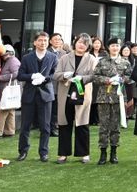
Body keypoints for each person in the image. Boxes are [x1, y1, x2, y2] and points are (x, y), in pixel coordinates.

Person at [53, 33, 97, 164]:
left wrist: (82, 78)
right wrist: (65, 75)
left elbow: (94, 76)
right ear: (75, 42)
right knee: (64, 124)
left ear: (88, 46)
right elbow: (56, 75)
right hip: (65, 94)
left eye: (85, 43)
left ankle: (84, 153)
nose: (81, 45)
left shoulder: (91, 59)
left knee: (82, 123)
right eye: (79, 42)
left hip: (82, 95)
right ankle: (63, 154)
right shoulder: (65, 58)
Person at [16, 31, 58, 162]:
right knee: (25, 126)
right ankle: (23, 151)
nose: (42, 43)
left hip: (46, 94)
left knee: (45, 126)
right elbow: (20, 75)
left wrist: (45, 79)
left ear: (48, 42)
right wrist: (32, 76)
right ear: (34, 42)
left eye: (45, 40)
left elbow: (55, 74)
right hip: (29, 94)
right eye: (40, 40)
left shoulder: (53, 57)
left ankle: (43, 152)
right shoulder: (27, 57)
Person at [93, 37, 133, 165]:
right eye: (112, 46)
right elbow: (95, 76)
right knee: (103, 126)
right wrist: (107, 80)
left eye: (117, 46)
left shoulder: (125, 62)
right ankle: (103, 152)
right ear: (108, 47)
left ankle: (114, 152)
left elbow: (130, 77)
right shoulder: (102, 61)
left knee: (115, 126)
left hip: (118, 98)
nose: (115, 48)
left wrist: (121, 79)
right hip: (104, 98)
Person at [0, 44, 21, 139]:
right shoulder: (9, 61)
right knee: (10, 111)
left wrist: (0, 77)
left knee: (1, 111)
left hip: (9, 90)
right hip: (9, 91)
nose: (2, 55)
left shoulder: (13, 61)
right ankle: (9, 131)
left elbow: (16, 74)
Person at [48, 33, 65, 137]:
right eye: (55, 39)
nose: (58, 41)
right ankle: (48, 128)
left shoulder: (64, 53)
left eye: (59, 39)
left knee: (56, 108)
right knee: (49, 108)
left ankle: (54, 127)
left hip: (61, 84)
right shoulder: (47, 52)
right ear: (50, 41)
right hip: (49, 83)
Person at [121, 44, 136, 120]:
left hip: (130, 82)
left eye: (127, 50)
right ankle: (122, 114)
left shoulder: (133, 60)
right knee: (122, 98)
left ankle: (128, 114)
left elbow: (134, 71)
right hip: (121, 82)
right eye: (124, 50)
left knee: (129, 98)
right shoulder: (119, 59)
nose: (126, 51)